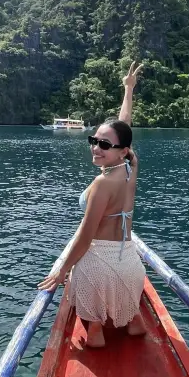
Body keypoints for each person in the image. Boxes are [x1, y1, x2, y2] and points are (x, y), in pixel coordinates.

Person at [38, 61, 147, 348]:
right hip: (131, 266)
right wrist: (128, 89)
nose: (96, 147)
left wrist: (62, 271)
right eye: (94, 140)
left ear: (120, 151)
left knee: (81, 275)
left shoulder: (101, 184)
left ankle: (96, 331)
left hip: (100, 268)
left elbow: (86, 238)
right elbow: (123, 127)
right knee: (130, 314)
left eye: (103, 145)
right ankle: (134, 321)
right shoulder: (128, 168)